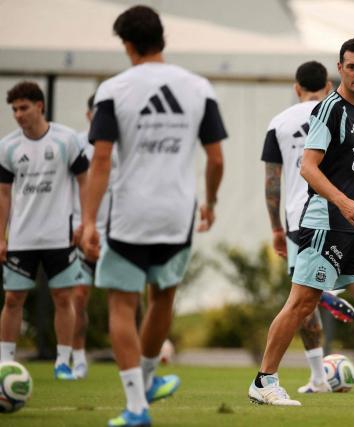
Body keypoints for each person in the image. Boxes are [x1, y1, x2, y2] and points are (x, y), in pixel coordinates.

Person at [81, 6, 225, 426]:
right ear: (163, 38)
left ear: (126, 44)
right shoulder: (198, 87)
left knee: (122, 304)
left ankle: (136, 406)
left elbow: (102, 160)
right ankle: (148, 379)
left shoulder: (113, 89)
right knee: (162, 295)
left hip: (130, 215)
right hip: (177, 213)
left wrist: (89, 221)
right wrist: (211, 203)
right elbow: (216, 160)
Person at [248, 38, 354, 406]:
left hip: (352, 227)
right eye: (351, 67)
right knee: (302, 303)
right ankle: (264, 380)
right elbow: (307, 168)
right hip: (324, 224)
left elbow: (353, 172)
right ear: (340, 68)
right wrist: (344, 203)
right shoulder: (328, 110)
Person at [260, 60, 354, 394]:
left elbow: (272, 182)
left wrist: (275, 227)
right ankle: (332, 290)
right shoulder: (340, 112)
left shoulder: (279, 123)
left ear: (296, 88)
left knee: (301, 298)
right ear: (328, 87)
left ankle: (317, 374)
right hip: (341, 211)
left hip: (300, 216)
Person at [0, 81, 89, 381]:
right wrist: (1, 236)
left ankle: (63, 362)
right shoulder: (8, 146)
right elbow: (3, 194)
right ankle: (5, 364)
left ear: (40, 106)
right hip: (22, 237)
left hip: (59, 235)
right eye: (14, 109)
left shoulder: (67, 140)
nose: (18, 114)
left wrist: (83, 222)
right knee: (13, 299)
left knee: (64, 298)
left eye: (23, 108)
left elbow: (85, 181)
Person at [70, 93, 118, 379]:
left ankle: (138, 358)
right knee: (78, 296)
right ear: (89, 116)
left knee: (125, 298)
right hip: (81, 231)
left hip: (116, 235)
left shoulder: (122, 145)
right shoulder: (76, 145)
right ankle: (77, 358)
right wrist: (79, 225)